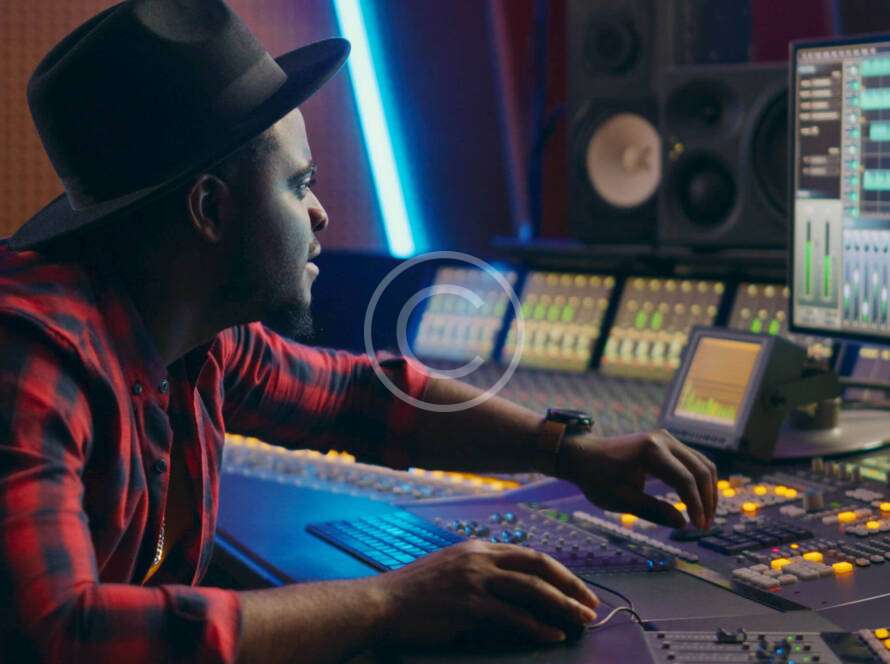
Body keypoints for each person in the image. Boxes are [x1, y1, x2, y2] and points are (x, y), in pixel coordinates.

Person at [0, 1, 718, 662]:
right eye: (297, 184)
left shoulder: (190, 333)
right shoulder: (31, 358)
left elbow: (357, 397)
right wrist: (391, 601)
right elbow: (64, 632)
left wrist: (569, 451)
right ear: (210, 210)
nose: (320, 214)